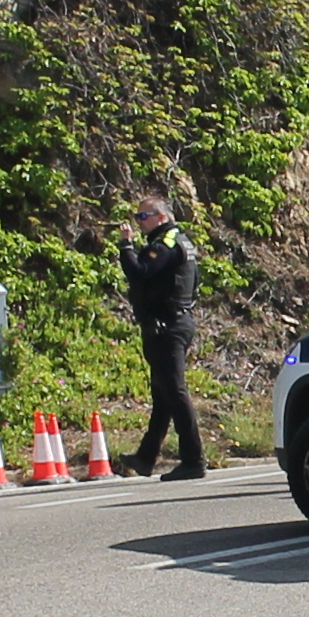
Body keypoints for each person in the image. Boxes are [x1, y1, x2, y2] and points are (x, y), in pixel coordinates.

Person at [120, 193, 206, 480]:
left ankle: (194, 459)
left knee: (176, 392)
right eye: (138, 217)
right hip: (169, 323)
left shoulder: (167, 242)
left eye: (143, 216)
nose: (140, 222)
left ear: (161, 216)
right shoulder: (177, 240)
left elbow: (140, 272)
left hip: (168, 325)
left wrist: (126, 246)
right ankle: (146, 458)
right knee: (163, 394)